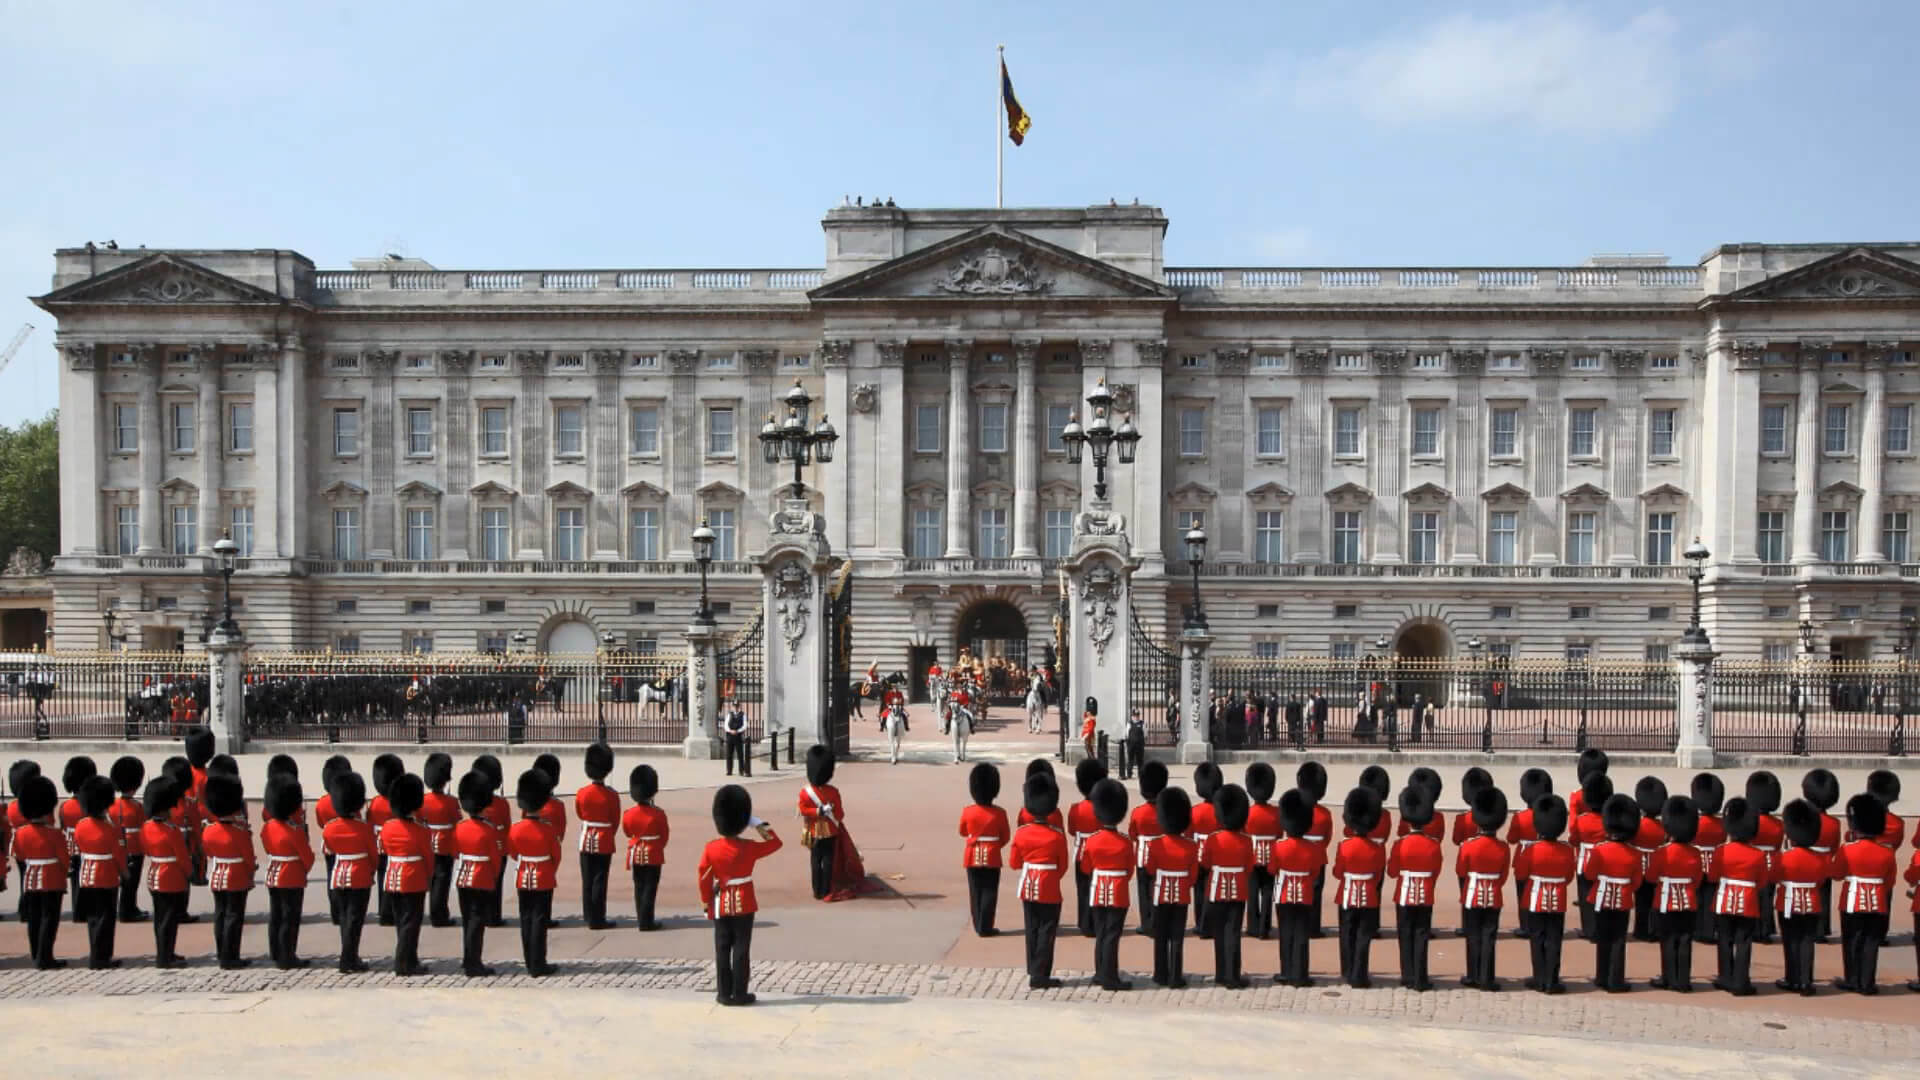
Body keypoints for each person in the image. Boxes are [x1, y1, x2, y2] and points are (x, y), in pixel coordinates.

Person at [698, 784, 783, 1006]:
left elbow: (704, 878)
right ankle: (740, 993)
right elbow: (776, 842)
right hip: (744, 902)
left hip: (720, 903)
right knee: (742, 950)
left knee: (722, 948)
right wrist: (755, 821)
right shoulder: (748, 847)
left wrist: (707, 902)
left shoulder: (711, 848)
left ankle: (724, 993)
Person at [1831, 793, 1896, 994]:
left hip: (1852, 900)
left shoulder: (1848, 849)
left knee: (1852, 940)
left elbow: (1837, 874)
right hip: (1877, 901)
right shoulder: (1887, 852)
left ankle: (1853, 979)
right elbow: (1889, 882)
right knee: (1871, 942)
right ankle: (1867, 983)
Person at [1009, 773, 1068, 990]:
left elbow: (1014, 863)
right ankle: (1040, 974)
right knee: (1047, 929)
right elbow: (1062, 867)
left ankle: (1033, 967)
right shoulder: (1056, 836)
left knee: (1031, 927)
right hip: (1049, 883)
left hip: (1028, 883)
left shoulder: (1022, 833)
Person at [1515, 795, 1574, 994]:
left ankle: (1539, 978)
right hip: (1558, 899)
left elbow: (1521, 874)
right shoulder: (1567, 851)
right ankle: (1552, 979)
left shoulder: (1531, 850)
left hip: (1535, 899)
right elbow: (1568, 877)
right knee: (1554, 939)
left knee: (1537, 938)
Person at [1080, 777, 1134, 991]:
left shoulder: (1092, 840)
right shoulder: (1125, 842)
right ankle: (1110, 977)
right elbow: (1130, 871)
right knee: (1112, 934)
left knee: (1101, 933)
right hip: (1118, 891)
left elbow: (1085, 868)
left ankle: (1100, 972)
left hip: (1097, 889)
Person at [1709, 797, 1766, 996]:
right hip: (1748, 901)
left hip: (1724, 899)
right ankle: (1741, 981)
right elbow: (1762, 882)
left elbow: (1713, 876)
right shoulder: (1758, 855)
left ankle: (1725, 977)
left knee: (1724, 939)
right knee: (1744, 941)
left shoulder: (1721, 851)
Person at [1142, 786, 1197, 988]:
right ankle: (1175, 976)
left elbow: (1149, 869)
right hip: (1181, 894)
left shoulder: (1156, 844)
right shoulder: (1191, 846)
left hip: (1160, 894)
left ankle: (1160, 973)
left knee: (1160, 935)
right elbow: (1193, 877)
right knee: (1177, 936)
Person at [1388, 785, 1442, 992]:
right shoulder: (1433, 844)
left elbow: (1392, 872)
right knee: (1421, 934)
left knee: (1405, 933)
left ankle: (1407, 975)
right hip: (1425, 893)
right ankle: (1420, 977)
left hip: (1403, 893)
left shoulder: (1400, 844)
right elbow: (1435, 872)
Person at [1587, 793, 1642, 993]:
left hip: (1601, 897)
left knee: (1603, 938)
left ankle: (1601, 977)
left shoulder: (1600, 849)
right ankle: (1615, 979)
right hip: (1623, 899)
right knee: (1619, 940)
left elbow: (1589, 873)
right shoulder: (1635, 853)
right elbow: (1636, 882)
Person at [321, 771, 376, 973]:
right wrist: (371, 871)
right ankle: (349, 958)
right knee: (355, 919)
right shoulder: (363, 828)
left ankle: (349, 954)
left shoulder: (329, 828)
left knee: (345, 918)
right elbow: (373, 855)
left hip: (338, 875)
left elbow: (328, 849)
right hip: (359, 875)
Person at [1457, 787, 1511, 991]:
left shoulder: (1469, 846)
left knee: (1473, 935)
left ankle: (1473, 975)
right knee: (1489, 936)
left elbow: (1461, 870)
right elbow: (1504, 875)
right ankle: (1487, 978)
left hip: (1471, 894)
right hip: (1494, 895)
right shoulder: (1503, 847)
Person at [1270, 788, 1324, 987]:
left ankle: (1286, 972)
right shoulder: (1313, 848)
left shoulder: (1279, 846)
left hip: (1283, 892)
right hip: (1305, 893)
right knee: (1302, 933)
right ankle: (1300, 974)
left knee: (1286, 933)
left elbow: (1272, 869)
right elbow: (1315, 872)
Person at [1774, 798, 1829, 996]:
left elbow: (1775, 877)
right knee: (1807, 942)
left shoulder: (1784, 857)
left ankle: (1792, 979)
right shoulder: (1820, 859)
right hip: (1811, 902)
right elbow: (1822, 880)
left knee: (1790, 941)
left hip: (1787, 902)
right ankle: (1806, 981)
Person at [201, 772, 255, 970]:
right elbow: (249, 858)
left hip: (217, 875)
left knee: (220, 914)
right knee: (234, 916)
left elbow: (207, 852)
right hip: (236, 876)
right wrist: (251, 873)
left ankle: (221, 951)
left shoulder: (208, 830)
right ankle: (230, 956)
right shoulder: (239, 833)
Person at [1647, 796, 1702, 992]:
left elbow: (1652, 877)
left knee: (1668, 939)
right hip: (1688, 900)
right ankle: (1683, 980)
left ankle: (1668, 977)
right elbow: (1697, 880)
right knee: (1685, 939)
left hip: (1665, 900)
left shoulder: (1661, 852)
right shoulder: (1695, 853)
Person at [452, 770, 504, 977]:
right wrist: (492, 877)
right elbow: (495, 859)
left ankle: (468, 959)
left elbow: (455, 852)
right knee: (476, 922)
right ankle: (474, 963)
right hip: (481, 878)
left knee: (467, 921)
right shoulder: (489, 829)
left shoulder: (459, 827)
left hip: (463, 876)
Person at [261, 775, 315, 970]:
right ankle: (287, 956)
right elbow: (307, 858)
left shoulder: (267, 827)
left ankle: (275, 951)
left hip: (273, 874)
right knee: (289, 918)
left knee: (275, 915)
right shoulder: (294, 831)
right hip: (291, 877)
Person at [1333, 786, 1385, 987]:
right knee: (1364, 936)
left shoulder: (1344, 846)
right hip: (1369, 896)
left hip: (1346, 894)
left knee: (1347, 932)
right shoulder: (1377, 849)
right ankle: (1359, 974)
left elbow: (1338, 873)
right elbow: (1378, 875)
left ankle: (1347, 970)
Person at [72, 774, 125, 970]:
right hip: (106, 875)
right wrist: (124, 872)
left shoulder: (81, 825)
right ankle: (101, 957)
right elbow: (118, 854)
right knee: (106, 918)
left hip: (87, 874)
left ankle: (96, 954)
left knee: (93, 918)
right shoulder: (109, 828)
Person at [381, 773, 432, 976]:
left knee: (402, 922)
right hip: (413, 878)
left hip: (393, 876)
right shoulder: (421, 831)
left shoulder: (387, 827)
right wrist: (428, 876)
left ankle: (410, 957)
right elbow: (428, 858)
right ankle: (404, 963)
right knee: (411, 922)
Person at [13, 774, 66, 968]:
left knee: (34, 919)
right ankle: (45, 958)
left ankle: (36, 954)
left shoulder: (20, 832)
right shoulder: (54, 833)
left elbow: (18, 855)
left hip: (30, 878)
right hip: (51, 878)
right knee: (49, 919)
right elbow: (64, 859)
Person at [137, 778, 190, 968]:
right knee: (169, 920)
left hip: (154, 874)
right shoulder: (171, 830)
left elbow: (145, 849)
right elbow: (182, 857)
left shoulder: (146, 827)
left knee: (160, 919)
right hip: (171, 877)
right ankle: (165, 957)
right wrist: (189, 872)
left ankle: (165, 952)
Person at [958, 762, 1009, 937]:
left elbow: (963, 832)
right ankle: (986, 925)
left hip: (972, 855)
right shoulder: (1000, 813)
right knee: (990, 890)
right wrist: (994, 845)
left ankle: (977, 923)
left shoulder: (967, 811)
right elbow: (1005, 837)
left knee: (975, 890)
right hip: (993, 855)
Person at [575, 743, 621, 930]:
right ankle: (597, 918)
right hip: (604, 839)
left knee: (587, 878)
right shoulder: (611, 795)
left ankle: (588, 914)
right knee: (599, 880)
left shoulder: (582, 793)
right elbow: (615, 820)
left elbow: (579, 812)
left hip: (586, 837)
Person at [1799, 768, 1843, 944]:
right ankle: (1821, 928)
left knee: (1805, 894)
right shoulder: (1834, 823)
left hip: (1805, 860)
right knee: (1823, 896)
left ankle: (1806, 925)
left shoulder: (1804, 819)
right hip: (1825, 862)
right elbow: (1835, 846)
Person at [1066, 757, 1109, 937]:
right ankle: (1097, 921)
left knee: (1082, 888)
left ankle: (1084, 923)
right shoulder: (1103, 807)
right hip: (1100, 852)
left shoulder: (1076, 808)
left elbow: (1071, 830)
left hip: (1081, 852)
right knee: (1097, 887)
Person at [623, 764, 668, 930]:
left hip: (635, 852)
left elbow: (627, 832)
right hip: (653, 852)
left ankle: (641, 917)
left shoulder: (628, 813)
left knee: (639, 886)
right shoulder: (658, 814)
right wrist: (657, 846)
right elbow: (664, 836)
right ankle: (647, 921)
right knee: (650, 887)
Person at [798, 745, 845, 902]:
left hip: (812, 829)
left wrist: (815, 812)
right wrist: (823, 811)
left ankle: (816, 890)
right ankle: (826, 890)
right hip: (830, 830)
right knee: (827, 860)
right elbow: (840, 815)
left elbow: (803, 809)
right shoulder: (833, 792)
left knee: (815, 860)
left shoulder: (805, 792)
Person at [104, 757, 147, 925]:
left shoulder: (112, 805)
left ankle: (127, 908)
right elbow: (142, 825)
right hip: (134, 847)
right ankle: (127, 910)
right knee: (132, 882)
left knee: (123, 880)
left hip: (118, 845)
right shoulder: (137, 806)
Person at [1128, 761, 1169, 934]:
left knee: (1144, 891)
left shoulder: (1138, 812)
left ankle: (1146, 923)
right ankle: (1160, 921)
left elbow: (1132, 834)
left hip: (1143, 855)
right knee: (1159, 888)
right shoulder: (1166, 809)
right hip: (1163, 854)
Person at [1507, 769, 1552, 926]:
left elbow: (1511, 839)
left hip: (1523, 855)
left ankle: (1525, 925)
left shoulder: (1520, 816)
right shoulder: (1549, 815)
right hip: (1545, 853)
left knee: (1523, 892)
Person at [419, 753, 460, 929]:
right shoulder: (450, 801)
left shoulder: (422, 801)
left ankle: (432, 912)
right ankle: (439, 915)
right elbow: (456, 820)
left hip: (426, 843)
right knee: (441, 882)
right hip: (444, 844)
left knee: (430, 879)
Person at [1571, 774, 1613, 939]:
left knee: (1585, 894)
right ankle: (1602, 927)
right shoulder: (1608, 819)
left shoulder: (1582, 820)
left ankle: (1589, 929)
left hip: (1585, 860)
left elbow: (1574, 839)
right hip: (1606, 859)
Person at [1745, 771, 1785, 945]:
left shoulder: (1752, 821)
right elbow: (1777, 844)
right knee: (1768, 895)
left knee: (1756, 896)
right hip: (1772, 859)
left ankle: (1755, 928)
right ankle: (1766, 929)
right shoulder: (1778, 824)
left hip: (1755, 859)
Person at [473, 754, 511, 928]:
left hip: (479, 847)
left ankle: (480, 913)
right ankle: (493, 916)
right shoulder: (501, 804)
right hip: (498, 846)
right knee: (496, 882)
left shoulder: (476, 802)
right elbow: (507, 825)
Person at [1629, 777, 1669, 942]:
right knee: (1655, 899)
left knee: (1641, 900)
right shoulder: (1664, 827)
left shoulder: (1638, 825)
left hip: (1640, 864)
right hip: (1657, 865)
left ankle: (1641, 929)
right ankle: (1655, 928)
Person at [59, 755, 98, 924]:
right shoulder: (87, 804)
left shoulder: (65, 806)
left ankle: (77, 910)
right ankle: (83, 911)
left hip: (70, 846)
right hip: (85, 845)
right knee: (85, 879)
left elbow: (62, 825)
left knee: (75, 878)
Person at [1244, 763, 1280, 941]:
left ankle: (1253, 925)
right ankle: (1265, 927)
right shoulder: (1276, 813)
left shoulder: (1248, 813)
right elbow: (1280, 834)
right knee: (1267, 891)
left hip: (1252, 855)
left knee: (1251, 891)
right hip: (1271, 855)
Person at [368, 753, 404, 928]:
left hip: (378, 843)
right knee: (392, 877)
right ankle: (390, 912)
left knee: (383, 875)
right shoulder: (396, 802)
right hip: (395, 843)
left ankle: (384, 911)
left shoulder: (375, 803)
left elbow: (369, 823)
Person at [1690, 773, 1727, 943]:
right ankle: (1709, 930)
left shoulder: (1696, 822)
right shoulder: (1721, 824)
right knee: (1712, 897)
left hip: (1697, 861)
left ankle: (1696, 929)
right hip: (1715, 862)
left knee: (1697, 897)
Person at [723, 701, 750, 777]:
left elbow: (745, 725)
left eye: (737, 706)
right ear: (732, 706)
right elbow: (725, 725)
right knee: (729, 754)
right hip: (730, 736)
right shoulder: (729, 714)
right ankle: (729, 770)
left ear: (739, 706)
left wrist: (738, 731)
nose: (736, 707)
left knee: (740, 754)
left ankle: (741, 770)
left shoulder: (743, 715)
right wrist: (730, 730)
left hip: (738, 736)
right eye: (734, 706)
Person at [1121, 709, 1145, 781]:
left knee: (1140, 760)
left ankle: (1140, 774)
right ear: (1132, 716)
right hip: (1131, 744)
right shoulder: (1129, 723)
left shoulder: (1142, 723)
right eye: (1134, 716)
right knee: (1130, 759)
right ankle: (1129, 774)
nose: (1136, 717)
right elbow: (1127, 733)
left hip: (1139, 745)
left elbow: (1145, 733)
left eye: (1137, 715)